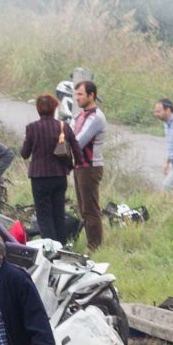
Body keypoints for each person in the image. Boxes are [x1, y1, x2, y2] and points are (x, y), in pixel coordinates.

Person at [19, 93, 72, 245]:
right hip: (59, 176)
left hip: (39, 177)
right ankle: (61, 245)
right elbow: (74, 148)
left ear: (38, 109)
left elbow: (24, 154)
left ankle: (50, 247)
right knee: (58, 213)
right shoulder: (62, 126)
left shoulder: (32, 128)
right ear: (54, 108)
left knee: (44, 215)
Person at [68, 79, 107, 251]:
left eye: (80, 94)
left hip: (90, 167)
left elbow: (78, 141)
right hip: (80, 166)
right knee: (83, 208)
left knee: (90, 208)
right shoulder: (79, 115)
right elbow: (67, 134)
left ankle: (94, 245)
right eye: (76, 94)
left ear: (91, 95)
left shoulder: (96, 117)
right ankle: (91, 243)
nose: (77, 98)